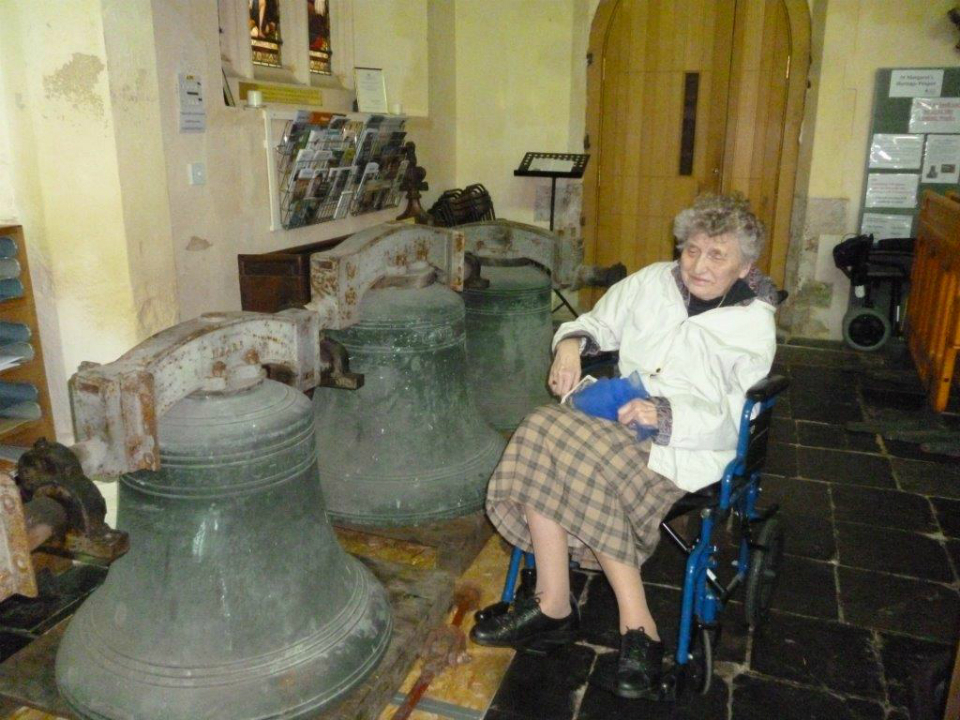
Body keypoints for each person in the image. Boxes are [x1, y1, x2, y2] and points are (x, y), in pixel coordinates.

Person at [470, 193, 778, 698]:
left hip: (682, 446)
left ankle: (593, 615)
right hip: (612, 418)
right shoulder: (653, 281)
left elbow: (732, 414)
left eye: (716, 255)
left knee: (553, 440)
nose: (698, 265)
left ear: (746, 266)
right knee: (543, 430)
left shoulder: (752, 323)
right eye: (692, 250)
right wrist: (570, 343)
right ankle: (567, 606)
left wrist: (666, 415)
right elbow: (597, 322)